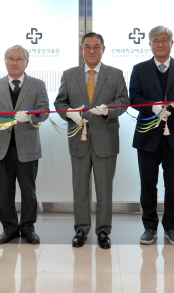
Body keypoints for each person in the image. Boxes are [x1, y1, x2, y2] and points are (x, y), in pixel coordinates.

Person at [54, 32, 129, 249]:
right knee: (80, 188)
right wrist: (69, 113)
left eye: (96, 47)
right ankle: (81, 229)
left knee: (104, 189)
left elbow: (124, 101)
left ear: (103, 49)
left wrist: (108, 110)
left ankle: (103, 231)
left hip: (106, 139)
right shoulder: (69, 75)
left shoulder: (115, 74)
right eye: (87, 47)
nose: (92, 51)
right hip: (79, 139)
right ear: (81, 50)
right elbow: (60, 103)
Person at [129, 26, 174, 246]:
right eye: (156, 40)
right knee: (148, 184)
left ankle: (171, 227)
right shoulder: (139, 69)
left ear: (172, 43)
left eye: (164, 40)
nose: (160, 44)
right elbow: (134, 98)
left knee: (173, 185)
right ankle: (149, 227)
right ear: (149, 44)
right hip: (147, 135)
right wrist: (152, 107)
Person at [0, 45, 49, 245]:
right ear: (5, 62)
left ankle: (28, 228)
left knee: (29, 192)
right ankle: (9, 228)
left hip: (27, 149)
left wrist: (30, 117)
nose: (14, 62)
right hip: (1, 148)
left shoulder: (37, 85)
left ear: (27, 63)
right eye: (10, 58)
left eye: (19, 59)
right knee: (5, 192)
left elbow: (44, 112)